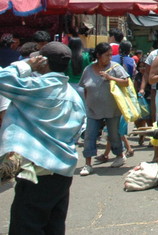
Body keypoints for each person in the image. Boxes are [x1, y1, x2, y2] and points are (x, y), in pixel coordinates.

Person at [0, 42, 86, 235]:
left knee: (27, 225)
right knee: (53, 225)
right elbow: (81, 128)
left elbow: (2, 78)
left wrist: (27, 65)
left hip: (37, 170)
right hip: (63, 171)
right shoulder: (73, 96)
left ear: (43, 61)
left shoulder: (37, 88)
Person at [78, 42, 129, 175]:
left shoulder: (116, 68)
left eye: (111, 55)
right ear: (98, 55)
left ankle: (119, 155)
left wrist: (110, 78)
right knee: (89, 135)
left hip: (112, 110)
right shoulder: (88, 70)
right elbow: (85, 88)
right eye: (107, 55)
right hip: (93, 111)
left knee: (114, 135)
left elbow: (126, 82)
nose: (109, 58)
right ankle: (88, 164)